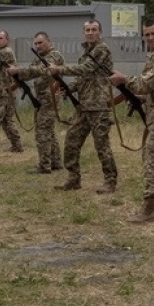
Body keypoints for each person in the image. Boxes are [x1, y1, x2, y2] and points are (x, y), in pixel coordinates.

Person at [108, 19, 154, 222]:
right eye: (147, 34)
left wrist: (124, 79)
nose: (150, 38)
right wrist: (141, 98)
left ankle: (149, 208)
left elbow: (146, 84)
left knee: (152, 159)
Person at [48, 20, 118, 193]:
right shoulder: (86, 52)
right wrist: (68, 89)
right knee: (71, 140)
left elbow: (86, 69)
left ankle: (110, 181)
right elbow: (82, 79)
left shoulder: (101, 49)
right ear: (83, 32)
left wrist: (59, 69)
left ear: (100, 32)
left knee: (101, 145)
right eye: (87, 30)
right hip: (83, 107)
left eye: (94, 30)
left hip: (98, 106)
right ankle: (73, 179)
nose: (90, 33)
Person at [29, 32, 64, 174]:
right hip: (41, 99)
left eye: (40, 43)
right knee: (49, 131)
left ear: (49, 42)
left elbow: (40, 70)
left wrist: (20, 71)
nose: (38, 46)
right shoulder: (39, 57)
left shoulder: (55, 56)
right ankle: (56, 162)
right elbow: (31, 70)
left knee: (42, 131)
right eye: (36, 43)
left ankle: (44, 166)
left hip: (51, 99)